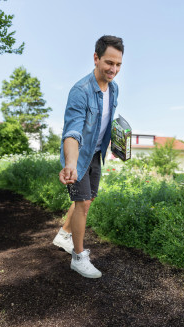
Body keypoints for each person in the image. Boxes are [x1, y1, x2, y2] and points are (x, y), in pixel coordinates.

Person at [53, 35, 124, 278]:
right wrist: (71, 163)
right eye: (109, 63)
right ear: (96, 58)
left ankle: (63, 235)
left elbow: (104, 122)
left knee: (87, 200)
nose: (113, 69)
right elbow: (72, 130)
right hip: (78, 155)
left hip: (96, 153)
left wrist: (116, 139)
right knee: (82, 204)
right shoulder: (80, 91)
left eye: (118, 65)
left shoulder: (113, 88)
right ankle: (78, 257)